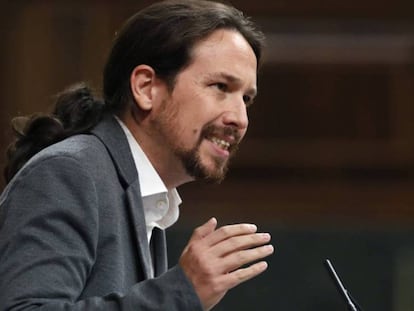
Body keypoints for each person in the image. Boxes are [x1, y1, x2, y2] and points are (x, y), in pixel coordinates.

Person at [0, 0, 273, 310]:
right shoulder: (69, 173)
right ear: (146, 88)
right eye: (220, 86)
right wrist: (179, 293)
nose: (240, 118)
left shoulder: (136, 192)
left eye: (246, 98)